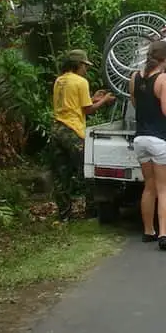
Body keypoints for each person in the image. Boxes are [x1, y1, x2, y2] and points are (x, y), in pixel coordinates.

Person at [129, 40, 166, 251]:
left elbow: (135, 102)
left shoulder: (135, 76)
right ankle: (163, 233)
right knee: (164, 189)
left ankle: (148, 231)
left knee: (149, 187)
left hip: (140, 139)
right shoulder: (164, 79)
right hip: (161, 138)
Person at [51, 49, 115, 216]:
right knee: (87, 170)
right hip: (72, 130)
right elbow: (87, 110)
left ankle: (64, 213)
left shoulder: (60, 80)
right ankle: (91, 210)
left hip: (57, 128)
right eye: (85, 66)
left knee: (61, 173)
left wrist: (94, 98)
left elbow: (73, 104)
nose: (86, 69)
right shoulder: (80, 82)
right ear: (78, 65)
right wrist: (105, 101)